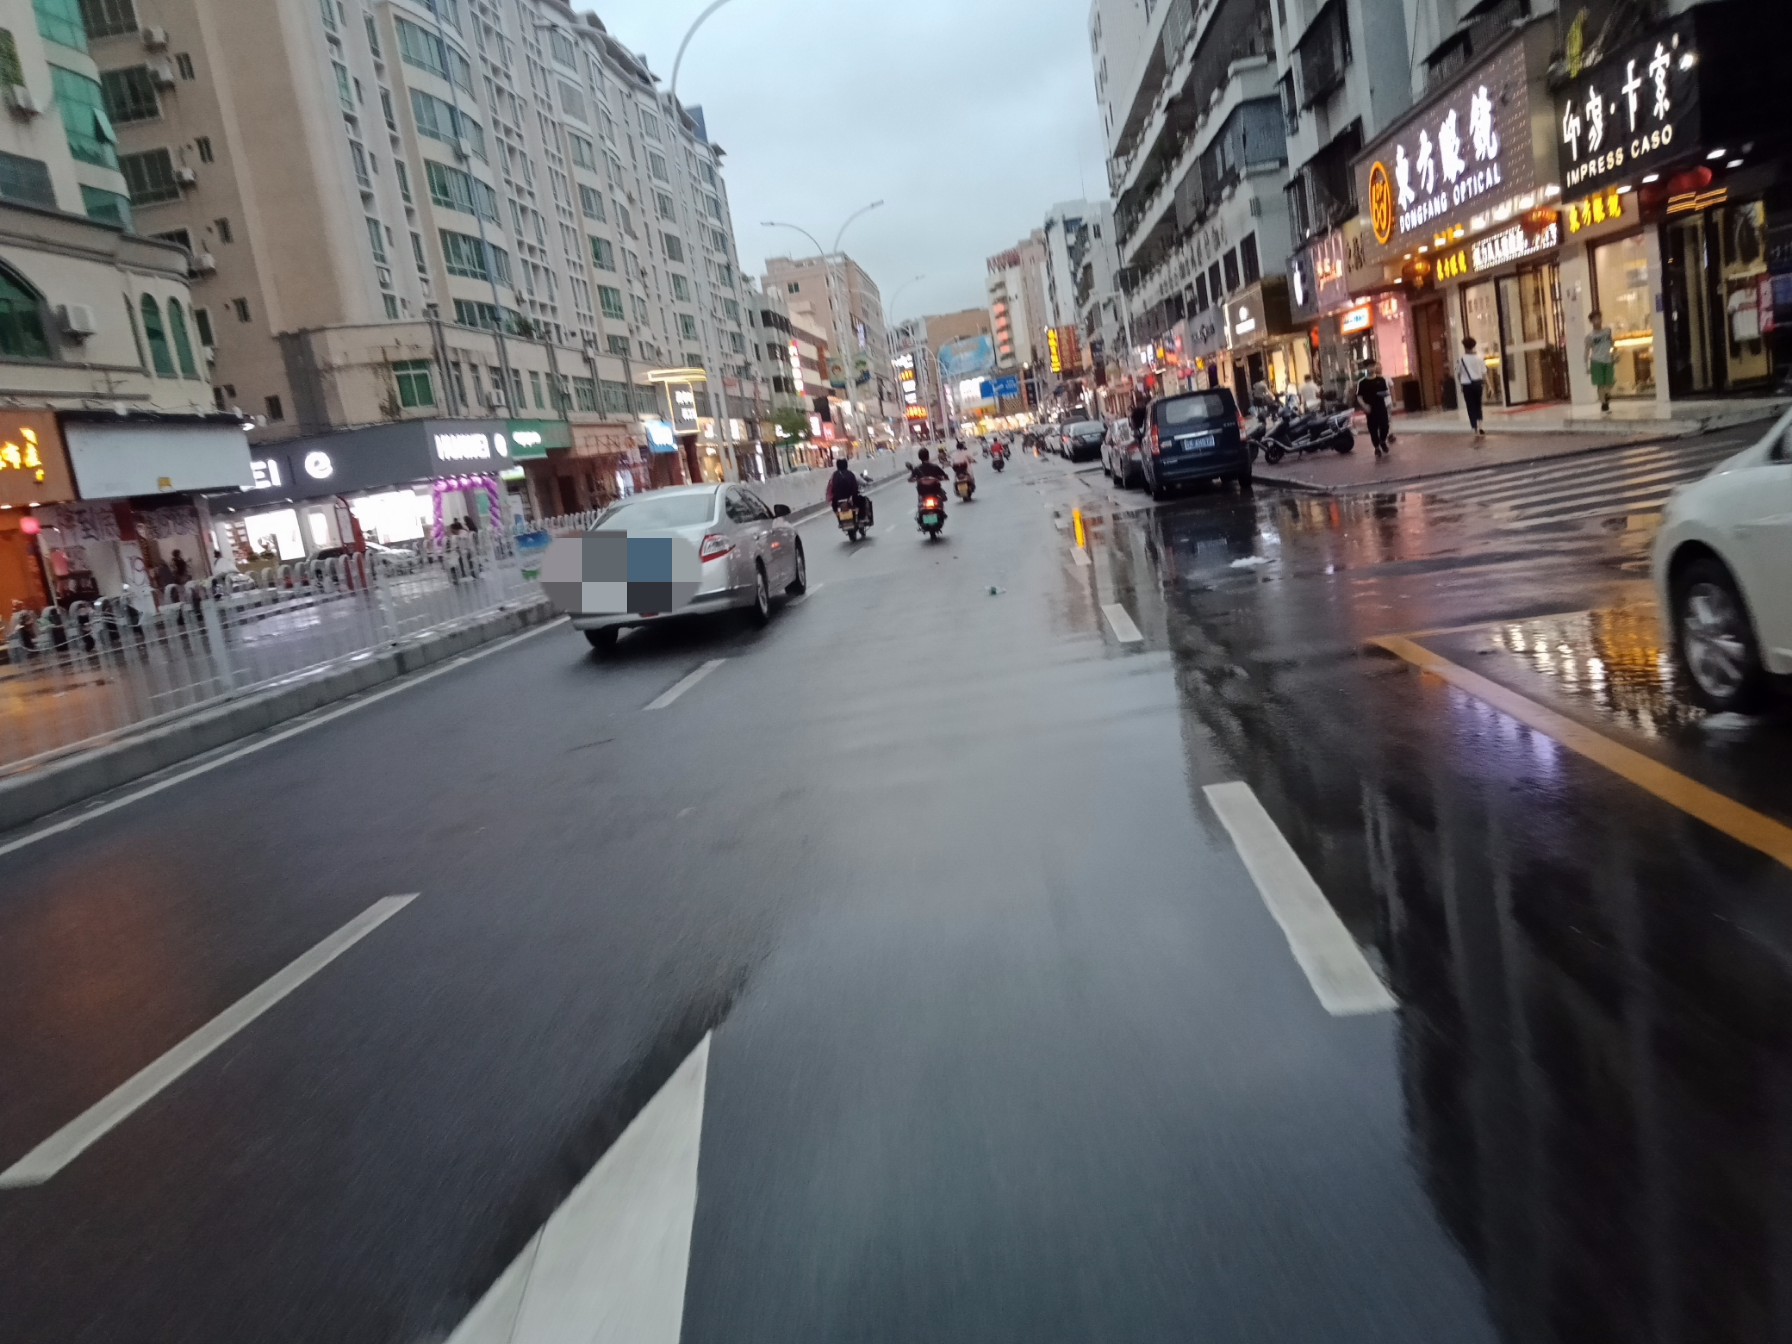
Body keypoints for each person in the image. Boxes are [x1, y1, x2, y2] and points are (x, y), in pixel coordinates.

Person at [1356, 361, 1393, 458]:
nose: (1371, 368)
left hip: (1381, 407)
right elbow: (1359, 397)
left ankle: (1382, 441)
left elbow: (1386, 392)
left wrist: (1383, 394)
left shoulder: (1381, 380)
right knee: (1373, 429)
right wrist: (1364, 405)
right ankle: (1376, 447)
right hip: (1370, 409)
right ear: (1365, 368)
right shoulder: (1362, 382)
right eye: (1369, 366)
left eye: (1373, 366)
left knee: (1385, 426)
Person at [826, 455, 871, 526]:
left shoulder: (834, 475)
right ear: (846, 465)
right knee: (863, 500)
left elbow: (830, 488)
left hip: (837, 500)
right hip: (851, 499)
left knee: (834, 507)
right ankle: (862, 518)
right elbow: (855, 487)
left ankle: (840, 521)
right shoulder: (851, 474)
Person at [1457, 336, 1489, 438]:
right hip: (1478, 384)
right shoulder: (1479, 358)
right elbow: (1484, 373)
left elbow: (1459, 374)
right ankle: (1480, 426)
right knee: (1478, 405)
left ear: (1464, 347)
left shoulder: (1461, 359)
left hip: (1467, 385)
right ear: (1474, 346)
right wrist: (1489, 386)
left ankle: (1474, 427)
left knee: (1470, 406)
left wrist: (1461, 383)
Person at [1586, 310, 1617, 414]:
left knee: (1610, 382)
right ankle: (1604, 404)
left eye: (1599, 318)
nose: (1597, 321)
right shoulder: (1590, 336)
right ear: (1591, 321)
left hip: (1608, 360)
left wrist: (1614, 354)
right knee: (1600, 384)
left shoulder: (1607, 331)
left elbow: (1612, 344)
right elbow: (1587, 351)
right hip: (1596, 361)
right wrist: (1586, 366)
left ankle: (1607, 395)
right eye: (1595, 319)